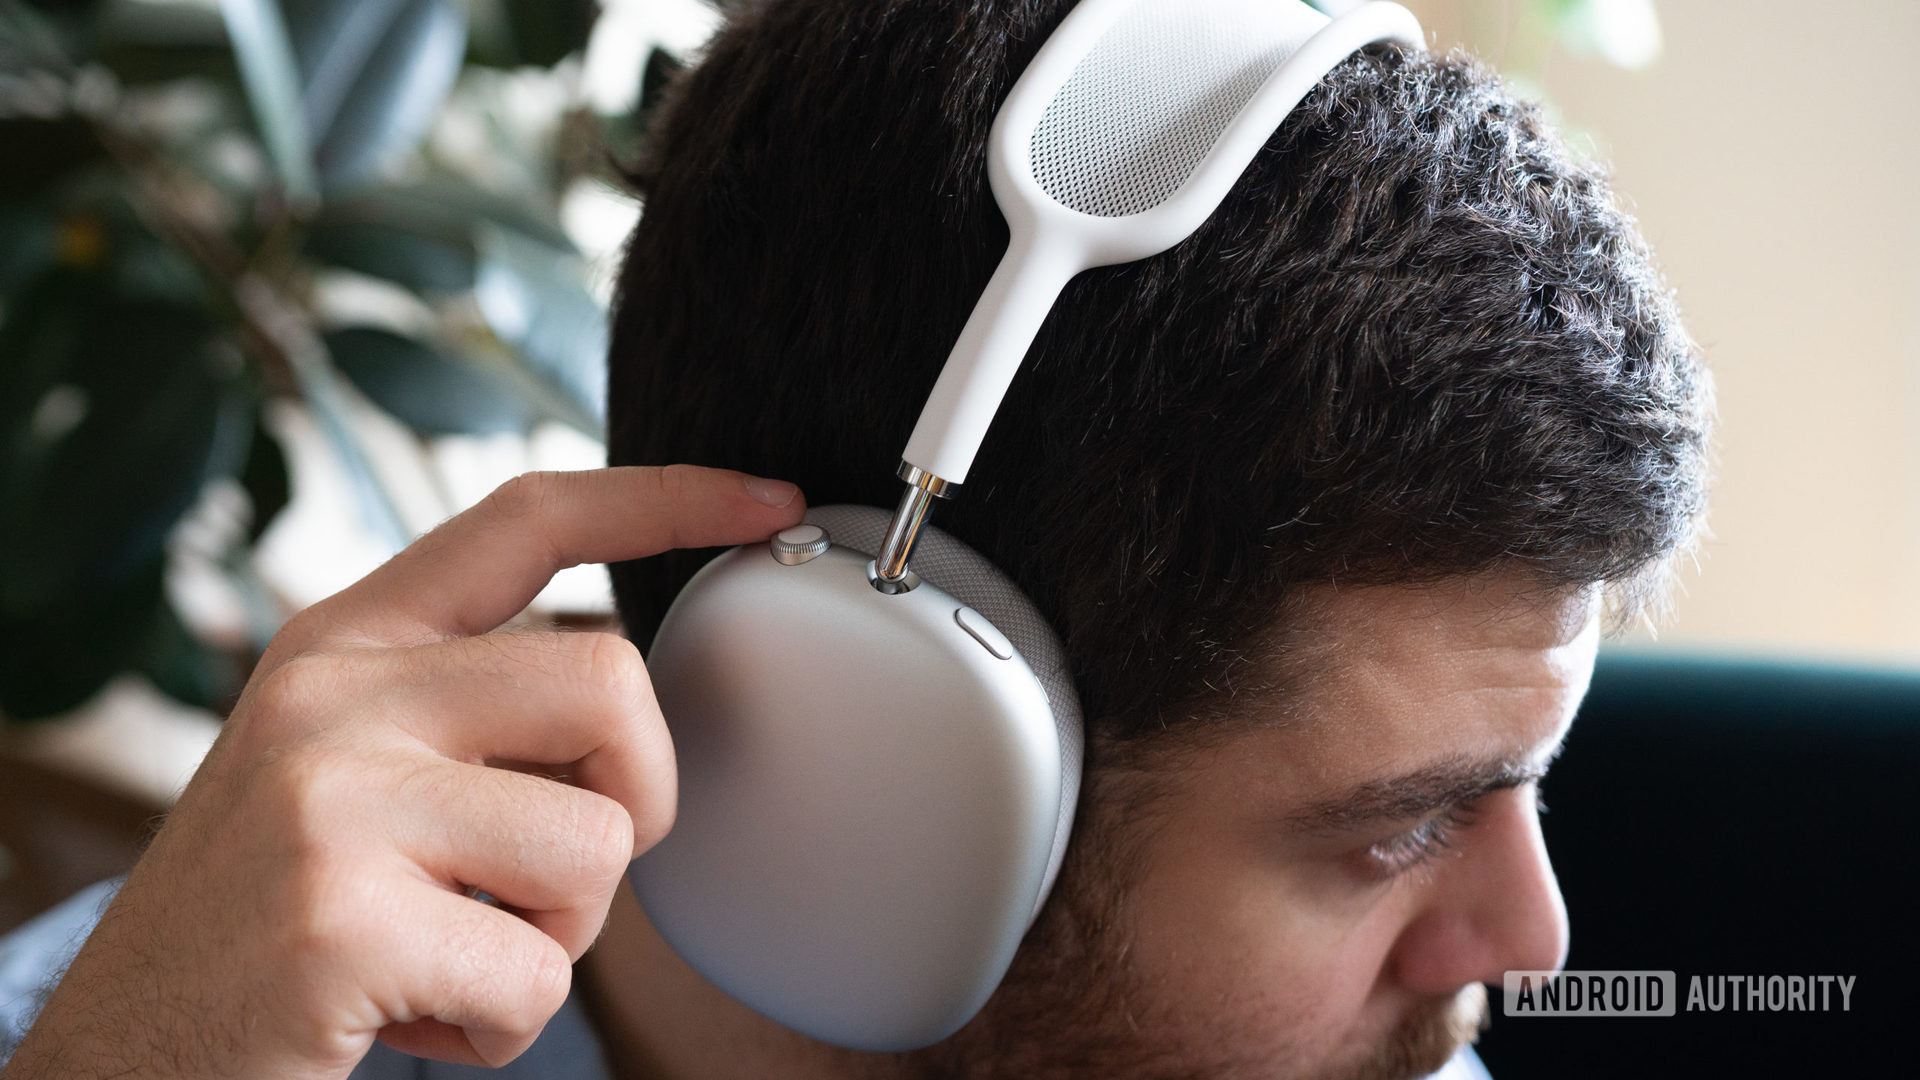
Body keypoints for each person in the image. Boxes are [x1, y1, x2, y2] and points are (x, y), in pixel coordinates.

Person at [0, 0, 1713, 1077]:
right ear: (879, 773)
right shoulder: (156, 1047)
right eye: (1400, 831)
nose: (1533, 940)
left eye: (1515, 782)